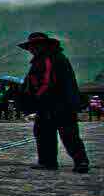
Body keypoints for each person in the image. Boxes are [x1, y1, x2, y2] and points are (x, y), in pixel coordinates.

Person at [21, 32, 90, 173]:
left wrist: (37, 97)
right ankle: (75, 161)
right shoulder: (54, 57)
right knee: (51, 132)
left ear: (42, 46)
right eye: (30, 47)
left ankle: (54, 161)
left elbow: (47, 82)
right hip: (60, 103)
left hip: (54, 104)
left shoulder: (48, 59)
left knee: (59, 133)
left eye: (34, 46)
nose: (31, 50)